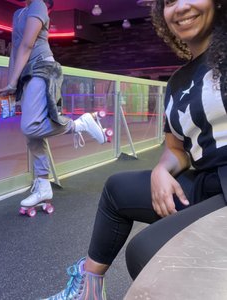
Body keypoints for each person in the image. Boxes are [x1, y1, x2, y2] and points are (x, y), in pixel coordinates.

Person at [42, 0, 227, 298]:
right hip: (209, 184)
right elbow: (176, 148)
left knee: (146, 251)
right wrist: (161, 170)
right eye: (168, 2)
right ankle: (87, 292)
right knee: (117, 188)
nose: (179, 8)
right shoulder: (178, 82)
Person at [0, 0, 111, 211]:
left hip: (42, 68)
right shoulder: (18, 13)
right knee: (33, 134)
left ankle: (81, 124)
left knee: (30, 126)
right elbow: (15, 49)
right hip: (26, 74)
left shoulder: (38, 4)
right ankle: (43, 185)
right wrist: (12, 82)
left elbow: (28, 44)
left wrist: (13, 81)